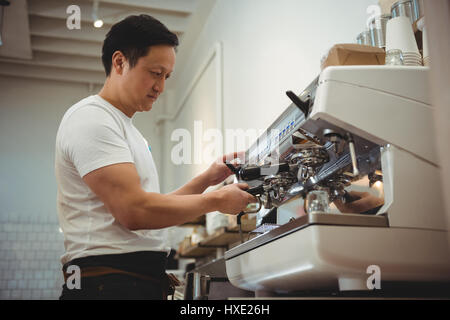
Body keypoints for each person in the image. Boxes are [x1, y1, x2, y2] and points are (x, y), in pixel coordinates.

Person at [55, 15, 255, 300]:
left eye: (166, 76)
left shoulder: (128, 130)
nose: (161, 86)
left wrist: (209, 178)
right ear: (120, 62)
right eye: (155, 72)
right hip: (108, 284)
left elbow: (153, 208)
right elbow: (135, 212)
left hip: (131, 281)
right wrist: (216, 201)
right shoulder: (92, 119)